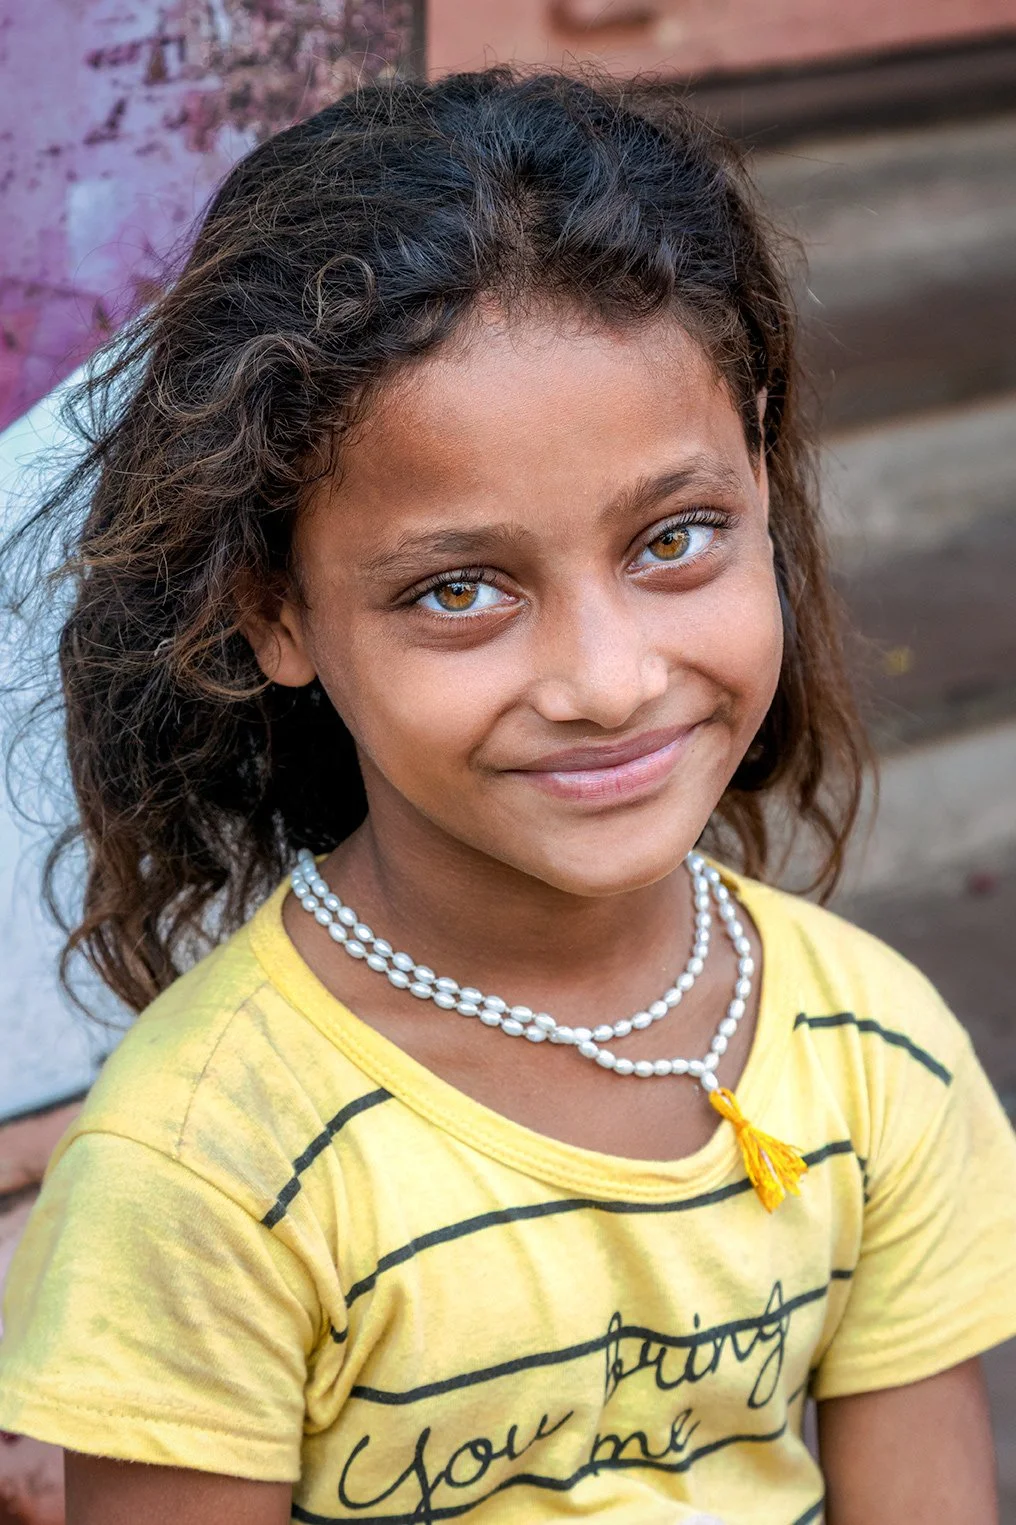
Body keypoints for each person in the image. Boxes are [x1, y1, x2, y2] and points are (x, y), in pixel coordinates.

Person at [0, 67, 1013, 1525]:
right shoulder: (208, 1165)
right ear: (274, 611)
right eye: (458, 590)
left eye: (676, 538)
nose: (606, 680)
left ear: (761, 477)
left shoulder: (873, 1057)